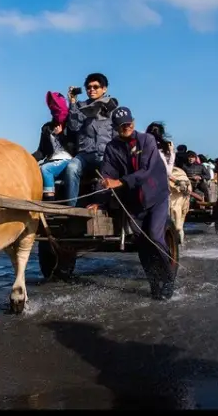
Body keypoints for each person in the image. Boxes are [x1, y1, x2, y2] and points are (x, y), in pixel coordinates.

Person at [92, 106, 175, 300]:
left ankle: (169, 278)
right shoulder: (112, 148)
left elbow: (146, 171)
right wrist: (100, 200)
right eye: (121, 126)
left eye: (128, 124)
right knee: (142, 245)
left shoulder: (147, 140)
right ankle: (155, 283)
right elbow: (106, 174)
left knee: (154, 236)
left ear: (134, 123)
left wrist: (119, 182)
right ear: (115, 127)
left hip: (156, 197)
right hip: (133, 203)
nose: (126, 128)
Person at [63, 73, 118, 206]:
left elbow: (116, 135)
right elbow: (74, 126)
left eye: (95, 86)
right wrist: (72, 102)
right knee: (71, 168)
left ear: (104, 89)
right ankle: (71, 208)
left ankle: (101, 205)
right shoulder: (81, 107)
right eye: (88, 87)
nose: (91, 90)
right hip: (85, 154)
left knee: (107, 174)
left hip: (105, 155)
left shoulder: (112, 108)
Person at [32, 91, 74, 201]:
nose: (55, 110)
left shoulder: (71, 124)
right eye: (53, 107)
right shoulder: (47, 128)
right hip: (51, 160)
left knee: (46, 169)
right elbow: (41, 151)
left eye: (57, 107)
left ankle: (49, 204)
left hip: (68, 159)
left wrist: (61, 135)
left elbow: (74, 148)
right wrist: (27, 159)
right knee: (35, 170)